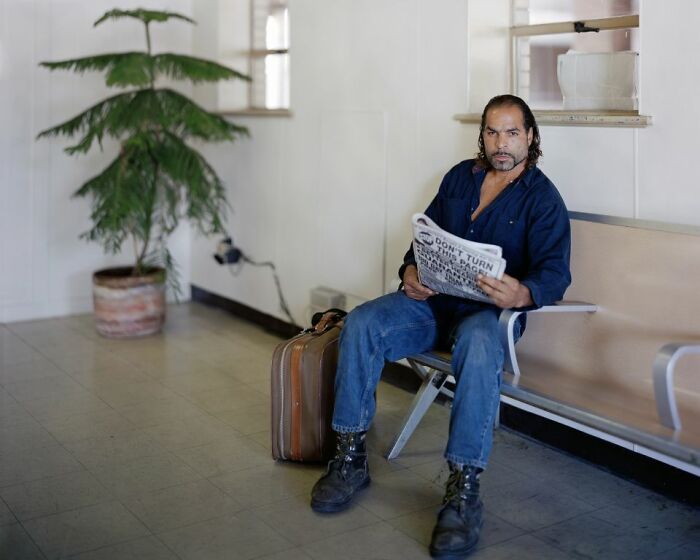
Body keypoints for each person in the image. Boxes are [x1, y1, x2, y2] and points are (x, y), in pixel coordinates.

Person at [310, 94, 571, 559]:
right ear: (483, 135)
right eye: (493, 132)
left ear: (531, 136)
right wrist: (410, 271)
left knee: (478, 344)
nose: (501, 143)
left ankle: (464, 489)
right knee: (365, 321)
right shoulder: (459, 178)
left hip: (490, 317)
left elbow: (555, 274)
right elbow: (424, 238)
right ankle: (349, 456)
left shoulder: (543, 198)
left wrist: (522, 293)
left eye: (512, 132)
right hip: (434, 306)